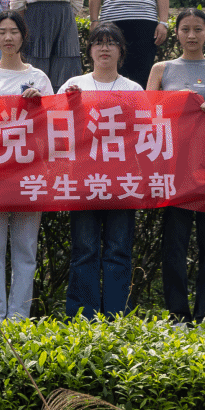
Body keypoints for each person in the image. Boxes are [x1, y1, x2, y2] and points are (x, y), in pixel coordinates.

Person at [0, 8, 54, 322]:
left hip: (30, 173)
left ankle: (18, 315)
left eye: (14, 31)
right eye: (2, 31)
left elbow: (52, 128)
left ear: (23, 36)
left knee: (25, 249)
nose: (8, 37)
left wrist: (40, 105)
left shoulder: (39, 78)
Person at [150, 9, 205, 325]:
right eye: (185, 29)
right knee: (174, 241)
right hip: (174, 165)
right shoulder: (161, 69)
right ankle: (178, 313)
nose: (192, 35)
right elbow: (149, 118)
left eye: (198, 29)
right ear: (177, 33)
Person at [59, 25, 145, 319]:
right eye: (98, 43)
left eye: (111, 43)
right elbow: (57, 129)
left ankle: (117, 317)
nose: (104, 48)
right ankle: (82, 317)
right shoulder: (74, 85)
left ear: (121, 51)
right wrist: (69, 104)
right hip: (83, 179)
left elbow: (143, 134)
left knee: (118, 251)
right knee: (84, 250)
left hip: (123, 179)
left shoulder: (133, 89)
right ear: (89, 51)